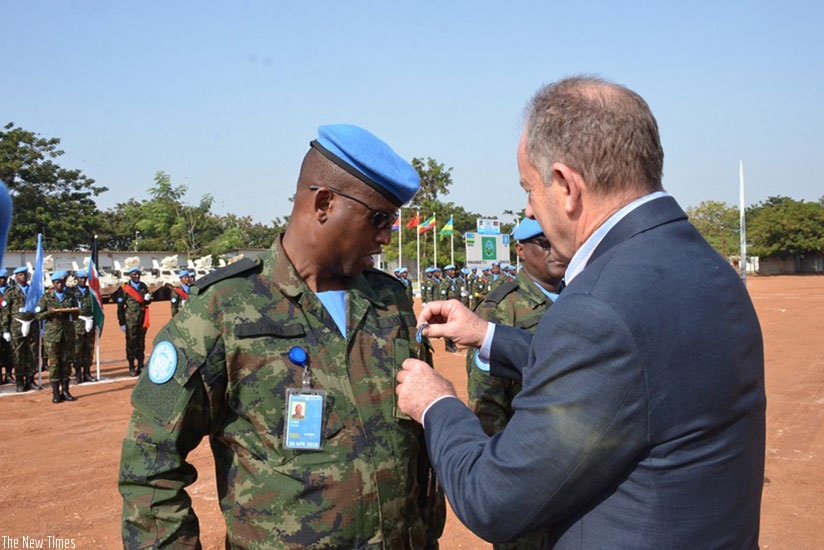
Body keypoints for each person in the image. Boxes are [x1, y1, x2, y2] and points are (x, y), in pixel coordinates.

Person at [397, 76, 766, 548]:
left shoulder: (598, 304)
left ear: (567, 186)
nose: (530, 209)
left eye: (530, 189)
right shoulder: (705, 265)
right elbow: (628, 370)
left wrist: (436, 402)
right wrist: (489, 335)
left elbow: (492, 499)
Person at [118, 124, 445, 548]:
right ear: (324, 203)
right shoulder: (222, 309)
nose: (386, 237)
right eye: (378, 219)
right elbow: (149, 463)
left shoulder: (389, 301)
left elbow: (417, 450)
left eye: (392, 221)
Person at [465, 218, 566, 550]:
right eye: (543, 243)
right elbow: (486, 401)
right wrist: (504, 475)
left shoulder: (580, 296)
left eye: (558, 239)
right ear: (520, 250)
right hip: (526, 470)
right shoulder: (500, 308)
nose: (555, 250)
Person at [36, 270, 78, 403]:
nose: (60, 285)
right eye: (57, 283)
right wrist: (49, 313)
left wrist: (73, 312)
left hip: (67, 334)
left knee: (66, 363)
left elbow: (76, 313)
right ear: (53, 284)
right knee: (54, 364)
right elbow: (38, 315)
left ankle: (65, 390)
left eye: (62, 282)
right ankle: (55, 392)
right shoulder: (46, 297)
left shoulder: (70, 295)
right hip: (53, 336)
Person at [2, 267, 41, 392]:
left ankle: (30, 379)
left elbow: (39, 307)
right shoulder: (10, 292)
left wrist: (41, 326)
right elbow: (5, 312)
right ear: (16, 277)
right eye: (20, 275)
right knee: (18, 353)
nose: (23, 276)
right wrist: (5, 330)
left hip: (32, 324)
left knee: (32, 353)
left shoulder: (34, 290)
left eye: (25, 274)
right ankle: (19, 381)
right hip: (16, 326)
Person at [115, 266, 151, 376]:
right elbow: (120, 307)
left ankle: (140, 365)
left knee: (141, 342)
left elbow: (146, 302)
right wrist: (122, 322)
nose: (137, 276)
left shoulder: (143, 286)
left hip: (142, 318)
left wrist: (148, 299)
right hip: (130, 320)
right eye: (135, 274)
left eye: (138, 274)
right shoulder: (124, 288)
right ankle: (131, 366)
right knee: (131, 342)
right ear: (130, 275)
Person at [72, 270, 96, 383]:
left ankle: (87, 373)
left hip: (90, 322)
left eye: (84, 278)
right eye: (80, 278)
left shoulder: (91, 291)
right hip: (77, 323)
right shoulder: (71, 292)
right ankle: (78, 374)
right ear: (76, 279)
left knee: (88, 348)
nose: (82, 280)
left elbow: (96, 307)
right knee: (77, 349)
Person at [0, 268, 14, 384]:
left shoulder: (11, 291)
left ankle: (9, 374)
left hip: (10, 326)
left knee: (10, 351)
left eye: (4, 278)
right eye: (0, 278)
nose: (2, 280)